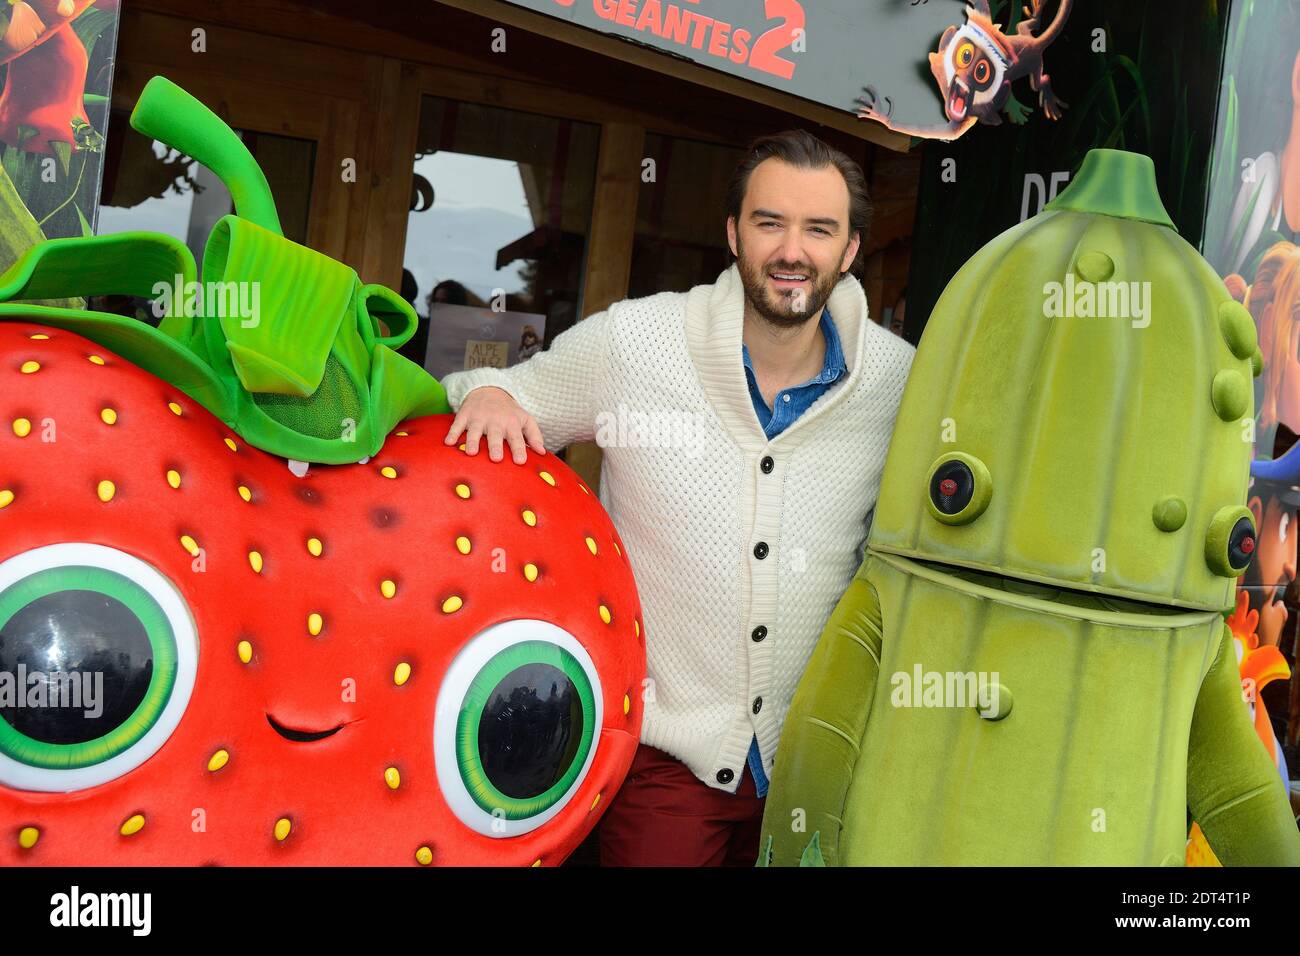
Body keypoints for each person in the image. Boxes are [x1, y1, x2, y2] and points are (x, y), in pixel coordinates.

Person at [441, 130, 915, 866]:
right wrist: (495, 392)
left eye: (819, 229)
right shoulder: (638, 339)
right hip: (663, 753)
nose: (793, 250)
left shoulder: (896, 381)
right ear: (733, 233)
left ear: (850, 250)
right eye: (769, 223)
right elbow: (502, 392)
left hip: (816, 766)